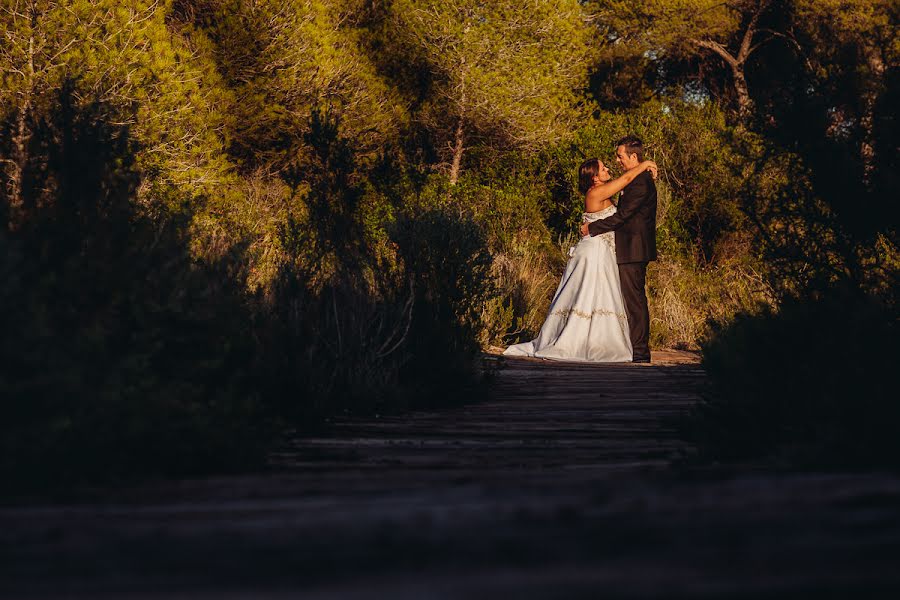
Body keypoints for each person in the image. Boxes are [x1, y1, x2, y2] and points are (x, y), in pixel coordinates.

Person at [503, 154, 657, 362]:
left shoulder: (600, 191)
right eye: (603, 168)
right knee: (590, 295)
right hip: (594, 252)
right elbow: (626, 180)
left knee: (599, 296)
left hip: (603, 250)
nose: (608, 169)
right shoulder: (597, 192)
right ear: (594, 178)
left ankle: (596, 339)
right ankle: (587, 342)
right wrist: (645, 164)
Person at [579, 135, 657, 363]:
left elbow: (623, 216)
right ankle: (631, 347)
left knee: (634, 301)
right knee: (629, 300)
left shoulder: (640, 182)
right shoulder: (633, 180)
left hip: (633, 249)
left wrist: (592, 227)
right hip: (626, 249)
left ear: (633, 156)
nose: (617, 160)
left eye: (620, 156)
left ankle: (640, 352)